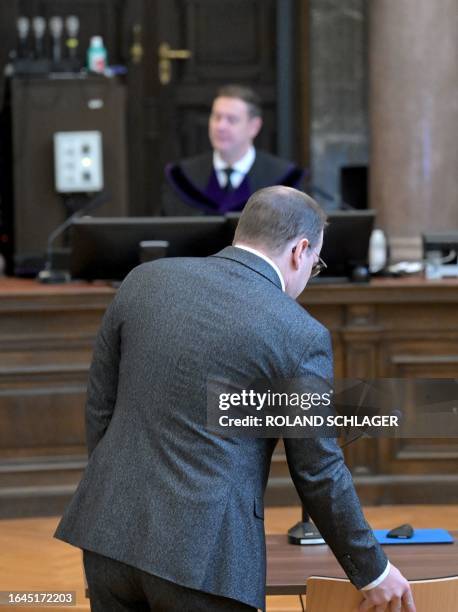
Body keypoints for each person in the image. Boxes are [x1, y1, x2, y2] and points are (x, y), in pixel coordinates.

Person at [55, 186, 415, 612]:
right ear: (300, 251)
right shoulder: (298, 334)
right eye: (315, 265)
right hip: (205, 559)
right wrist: (373, 570)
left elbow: (101, 408)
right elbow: (318, 470)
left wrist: (119, 498)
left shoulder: (143, 281)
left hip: (107, 536)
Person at [162, 84, 305, 215]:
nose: (220, 127)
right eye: (217, 117)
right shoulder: (183, 178)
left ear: (254, 127)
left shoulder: (283, 180)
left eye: (232, 120)